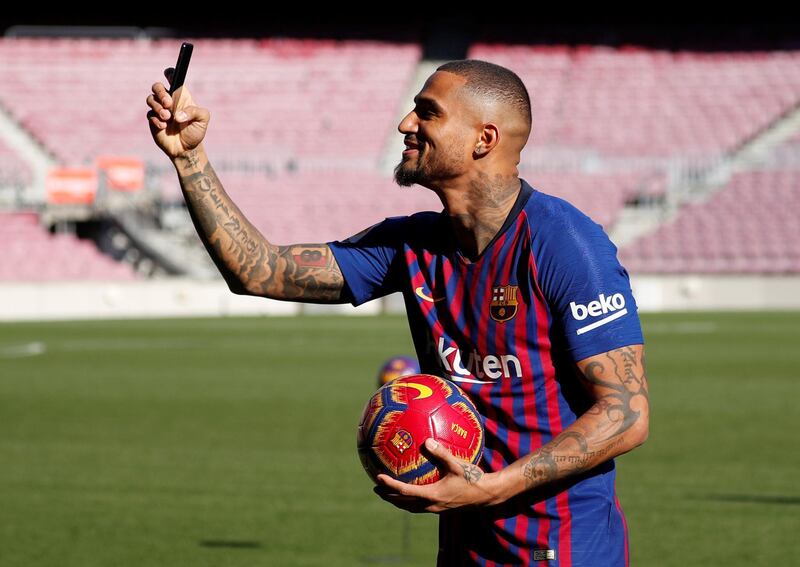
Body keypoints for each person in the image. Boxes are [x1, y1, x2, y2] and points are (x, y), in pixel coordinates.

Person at [147, 58, 650, 566]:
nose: (406, 125)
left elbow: (626, 413)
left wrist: (495, 488)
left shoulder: (565, 243)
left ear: (484, 138)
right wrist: (189, 158)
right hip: (464, 547)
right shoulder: (413, 242)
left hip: (563, 550)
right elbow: (260, 271)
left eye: (426, 113)